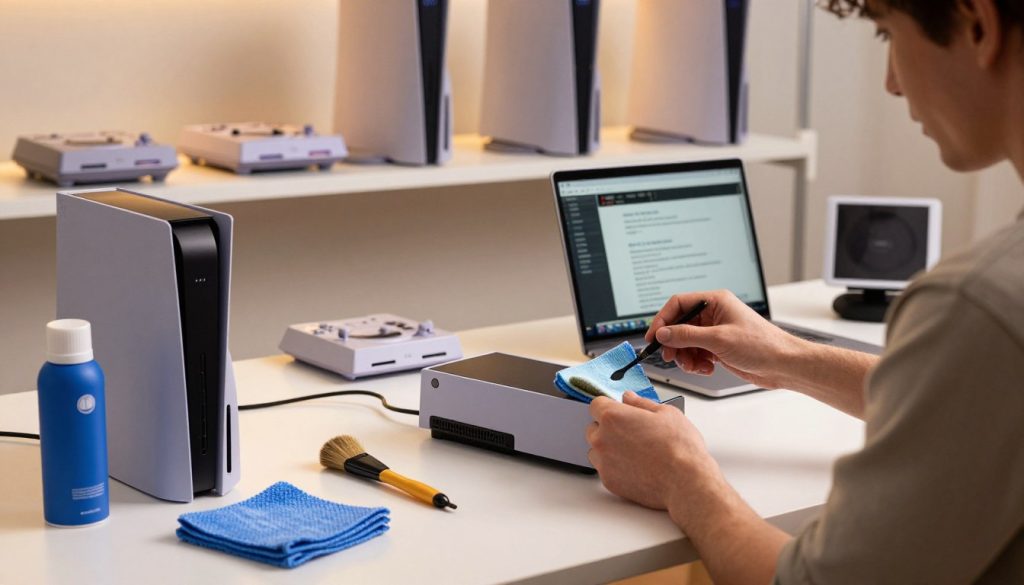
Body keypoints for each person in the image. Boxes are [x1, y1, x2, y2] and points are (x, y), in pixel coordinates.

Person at [585, 1, 1024, 583]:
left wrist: (682, 478)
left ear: (978, 25)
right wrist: (786, 357)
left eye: (888, 35)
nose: (891, 83)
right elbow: (977, 402)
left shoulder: (976, 305)